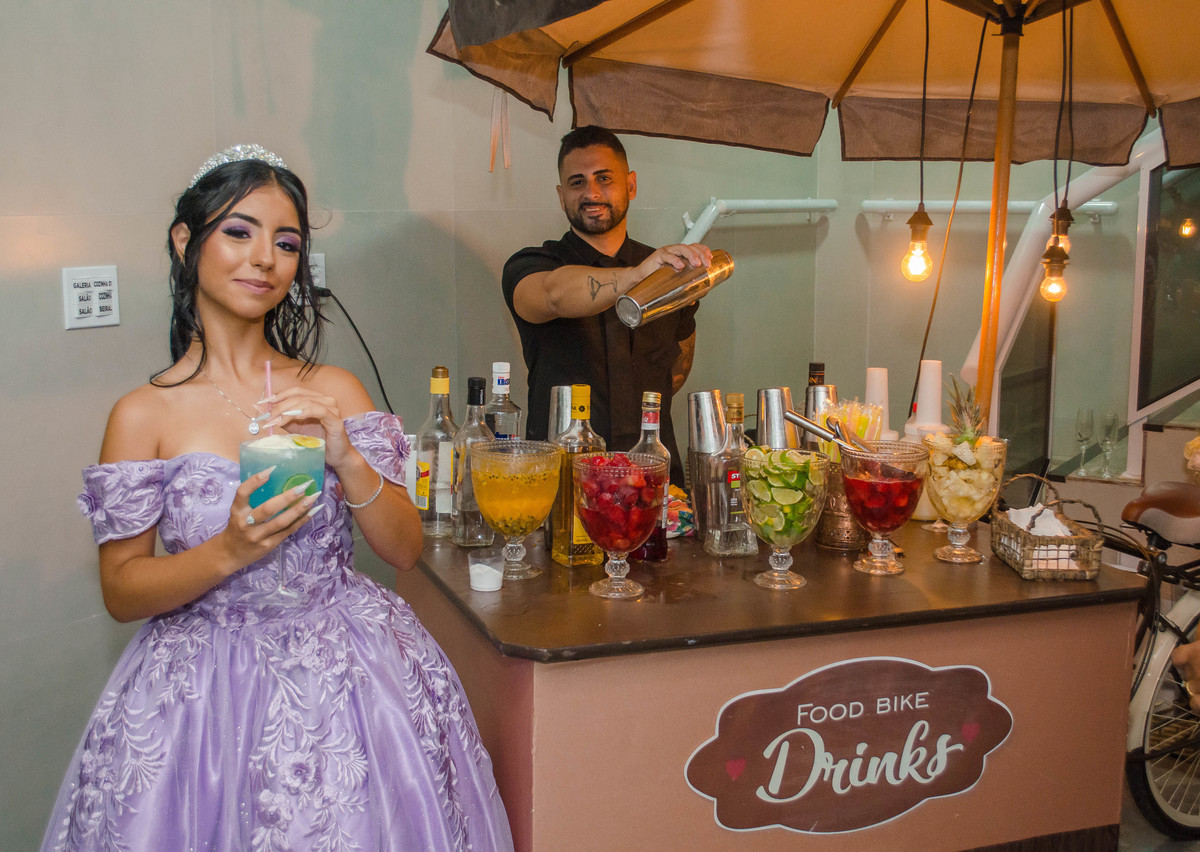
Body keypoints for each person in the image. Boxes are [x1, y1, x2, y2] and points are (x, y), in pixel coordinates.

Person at [42, 145, 514, 851]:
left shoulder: (335, 389)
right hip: (203, 698)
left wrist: (345, 456)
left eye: (286, 243)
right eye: (240, 232)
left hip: (347, 679)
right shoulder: (143, 414)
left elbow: (404, 548)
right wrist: (229, 549)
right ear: (186, 241)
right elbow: (121, 590)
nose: (264, 258)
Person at [502, 126, 713, 486]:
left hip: (655, 483)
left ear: (630, 185)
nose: (591, 193)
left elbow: (678, 365)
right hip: (565, 486)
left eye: (604, 178)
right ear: (561, 196)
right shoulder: (533, 265)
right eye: (577, 182)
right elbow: (553, 295)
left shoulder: (665, 271)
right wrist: (638, 276)